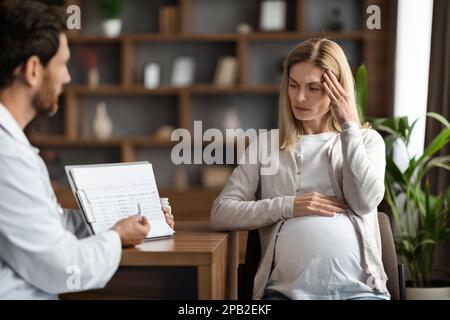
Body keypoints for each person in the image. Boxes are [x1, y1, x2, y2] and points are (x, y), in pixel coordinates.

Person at [0, 0, 174, 299]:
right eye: (63, 64)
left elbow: (46, 223)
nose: (67, 77)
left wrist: (121, 221)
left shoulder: (12, 148)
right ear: (32, 70)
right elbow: (62, 268)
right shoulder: (8, 158)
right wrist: (116, 236)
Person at [211, 38, 390, 300]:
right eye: (293, 85)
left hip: (360, 292)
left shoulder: (366, 141)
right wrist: (289, 205)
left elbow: (363, 203)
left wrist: (349, 128)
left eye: (313, 88)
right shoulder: (267, 145)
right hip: (285, 293)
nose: (299, 97)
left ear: (337, 90)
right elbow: (221, 213)